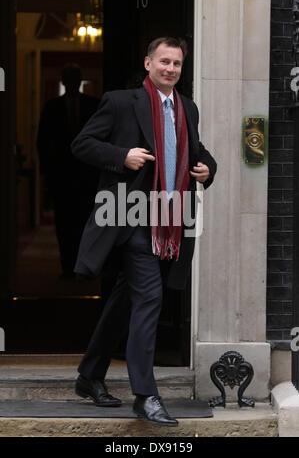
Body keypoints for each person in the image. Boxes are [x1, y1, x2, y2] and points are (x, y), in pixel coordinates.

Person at [71, 37, 217, 426]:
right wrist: (122, 156)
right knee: (150, 297)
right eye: (164, 61)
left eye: (177, 64)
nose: (171, 69)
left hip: (169, 219)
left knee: (125, 300)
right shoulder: (121, 102)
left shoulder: (187, 107)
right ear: (148, 62)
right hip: (131, 217)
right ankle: (146, 395)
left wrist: (207, 169)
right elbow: (82, 144)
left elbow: (196, 151)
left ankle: (89, 375)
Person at [37, 64, 100, 279]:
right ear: (63, 82)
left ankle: (86, 267)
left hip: (88, 176)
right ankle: (68, 268)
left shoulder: (93, 105)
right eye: (68, 79)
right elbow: (42, 142)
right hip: (61, 176)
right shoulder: (51, 107)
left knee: (87, 223)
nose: (72, 83)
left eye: (75, 78)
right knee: (64, 225)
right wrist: (46, 174)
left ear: (79, 80)